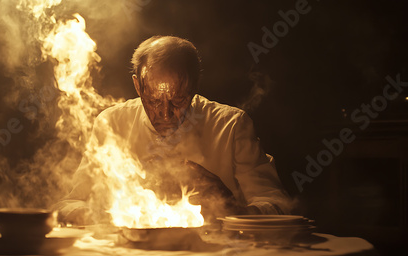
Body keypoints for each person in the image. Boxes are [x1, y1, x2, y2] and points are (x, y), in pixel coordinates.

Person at [53, 35, 292, 225]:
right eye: (154, 100)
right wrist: (108, 214)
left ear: (196, 85)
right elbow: (70, 203)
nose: (165, 114)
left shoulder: (231, 125)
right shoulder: (111, 124)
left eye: (178, 100)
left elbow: (279, 205)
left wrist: (233, 208)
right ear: (137, 85)